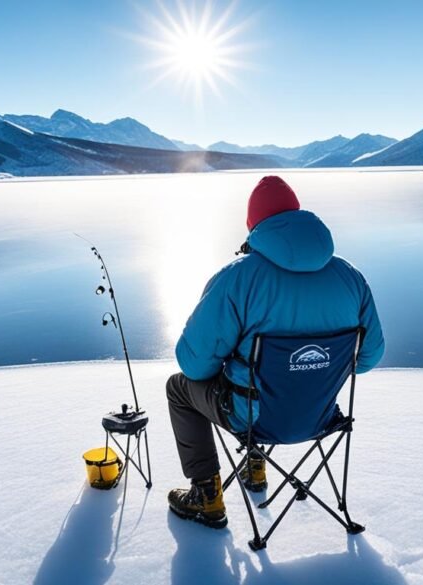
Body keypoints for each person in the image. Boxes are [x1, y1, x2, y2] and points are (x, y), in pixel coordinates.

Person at [165, 175, 386, 529]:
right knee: (265, 377)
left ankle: (206, 497)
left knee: (180, 387)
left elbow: (193, 365)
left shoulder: (237, 279)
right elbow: (369, 357)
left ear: (254, 227)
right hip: (320, 416)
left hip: (253, 420)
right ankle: (254, 468)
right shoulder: (350, 278)